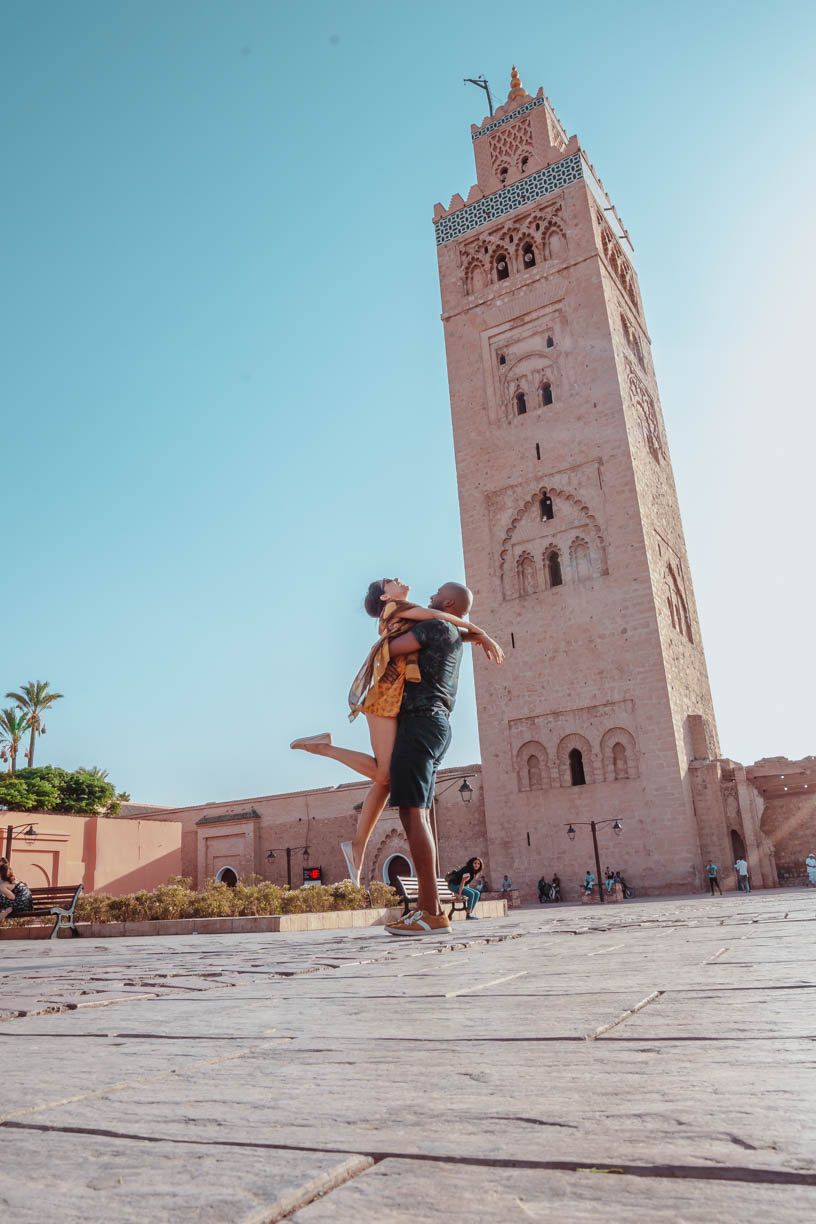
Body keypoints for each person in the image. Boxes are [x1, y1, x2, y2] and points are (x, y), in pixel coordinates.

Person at [291, 577, 502, 886]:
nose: (401, 581)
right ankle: (323, 748)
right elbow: (437, 620)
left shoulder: (406, 610)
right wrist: (481, 634)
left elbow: (438, 631)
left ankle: (358, 845)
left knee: (386, 777)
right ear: (384, 596)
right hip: (383, 698)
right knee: (383, 776)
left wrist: (473, 637)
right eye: (392, 582)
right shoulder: (396, 608)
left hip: (393, 700)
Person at [379, 582, 499, 935]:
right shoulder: (450, 634)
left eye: (437, 594)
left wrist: (394, 610)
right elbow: (460, 633)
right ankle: (428, 909)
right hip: (438, 726)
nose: (431, 596)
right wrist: (479, 634)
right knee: (419, 815)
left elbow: (389, 648)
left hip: (419, 723)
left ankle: (430, 912)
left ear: (447, 602)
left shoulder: (436, 626)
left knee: (413, 814)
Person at [0, 857, 33, 922]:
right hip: (28, 905)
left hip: (20, 904)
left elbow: (12, 897)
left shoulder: (3, 885)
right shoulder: (15, 880)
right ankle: (6, 912)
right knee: (5, 907)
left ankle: (5, 912)